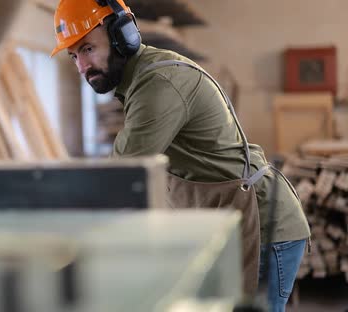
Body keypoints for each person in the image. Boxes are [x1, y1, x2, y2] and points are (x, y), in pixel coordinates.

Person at [51, 0, 310, 310]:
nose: (82, 66)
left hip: (262, 221)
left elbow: (120, 178)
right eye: (74, 55)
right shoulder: (137, 82)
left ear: (124, 34)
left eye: (88, 49)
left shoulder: (157, 84)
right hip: (231, 215)